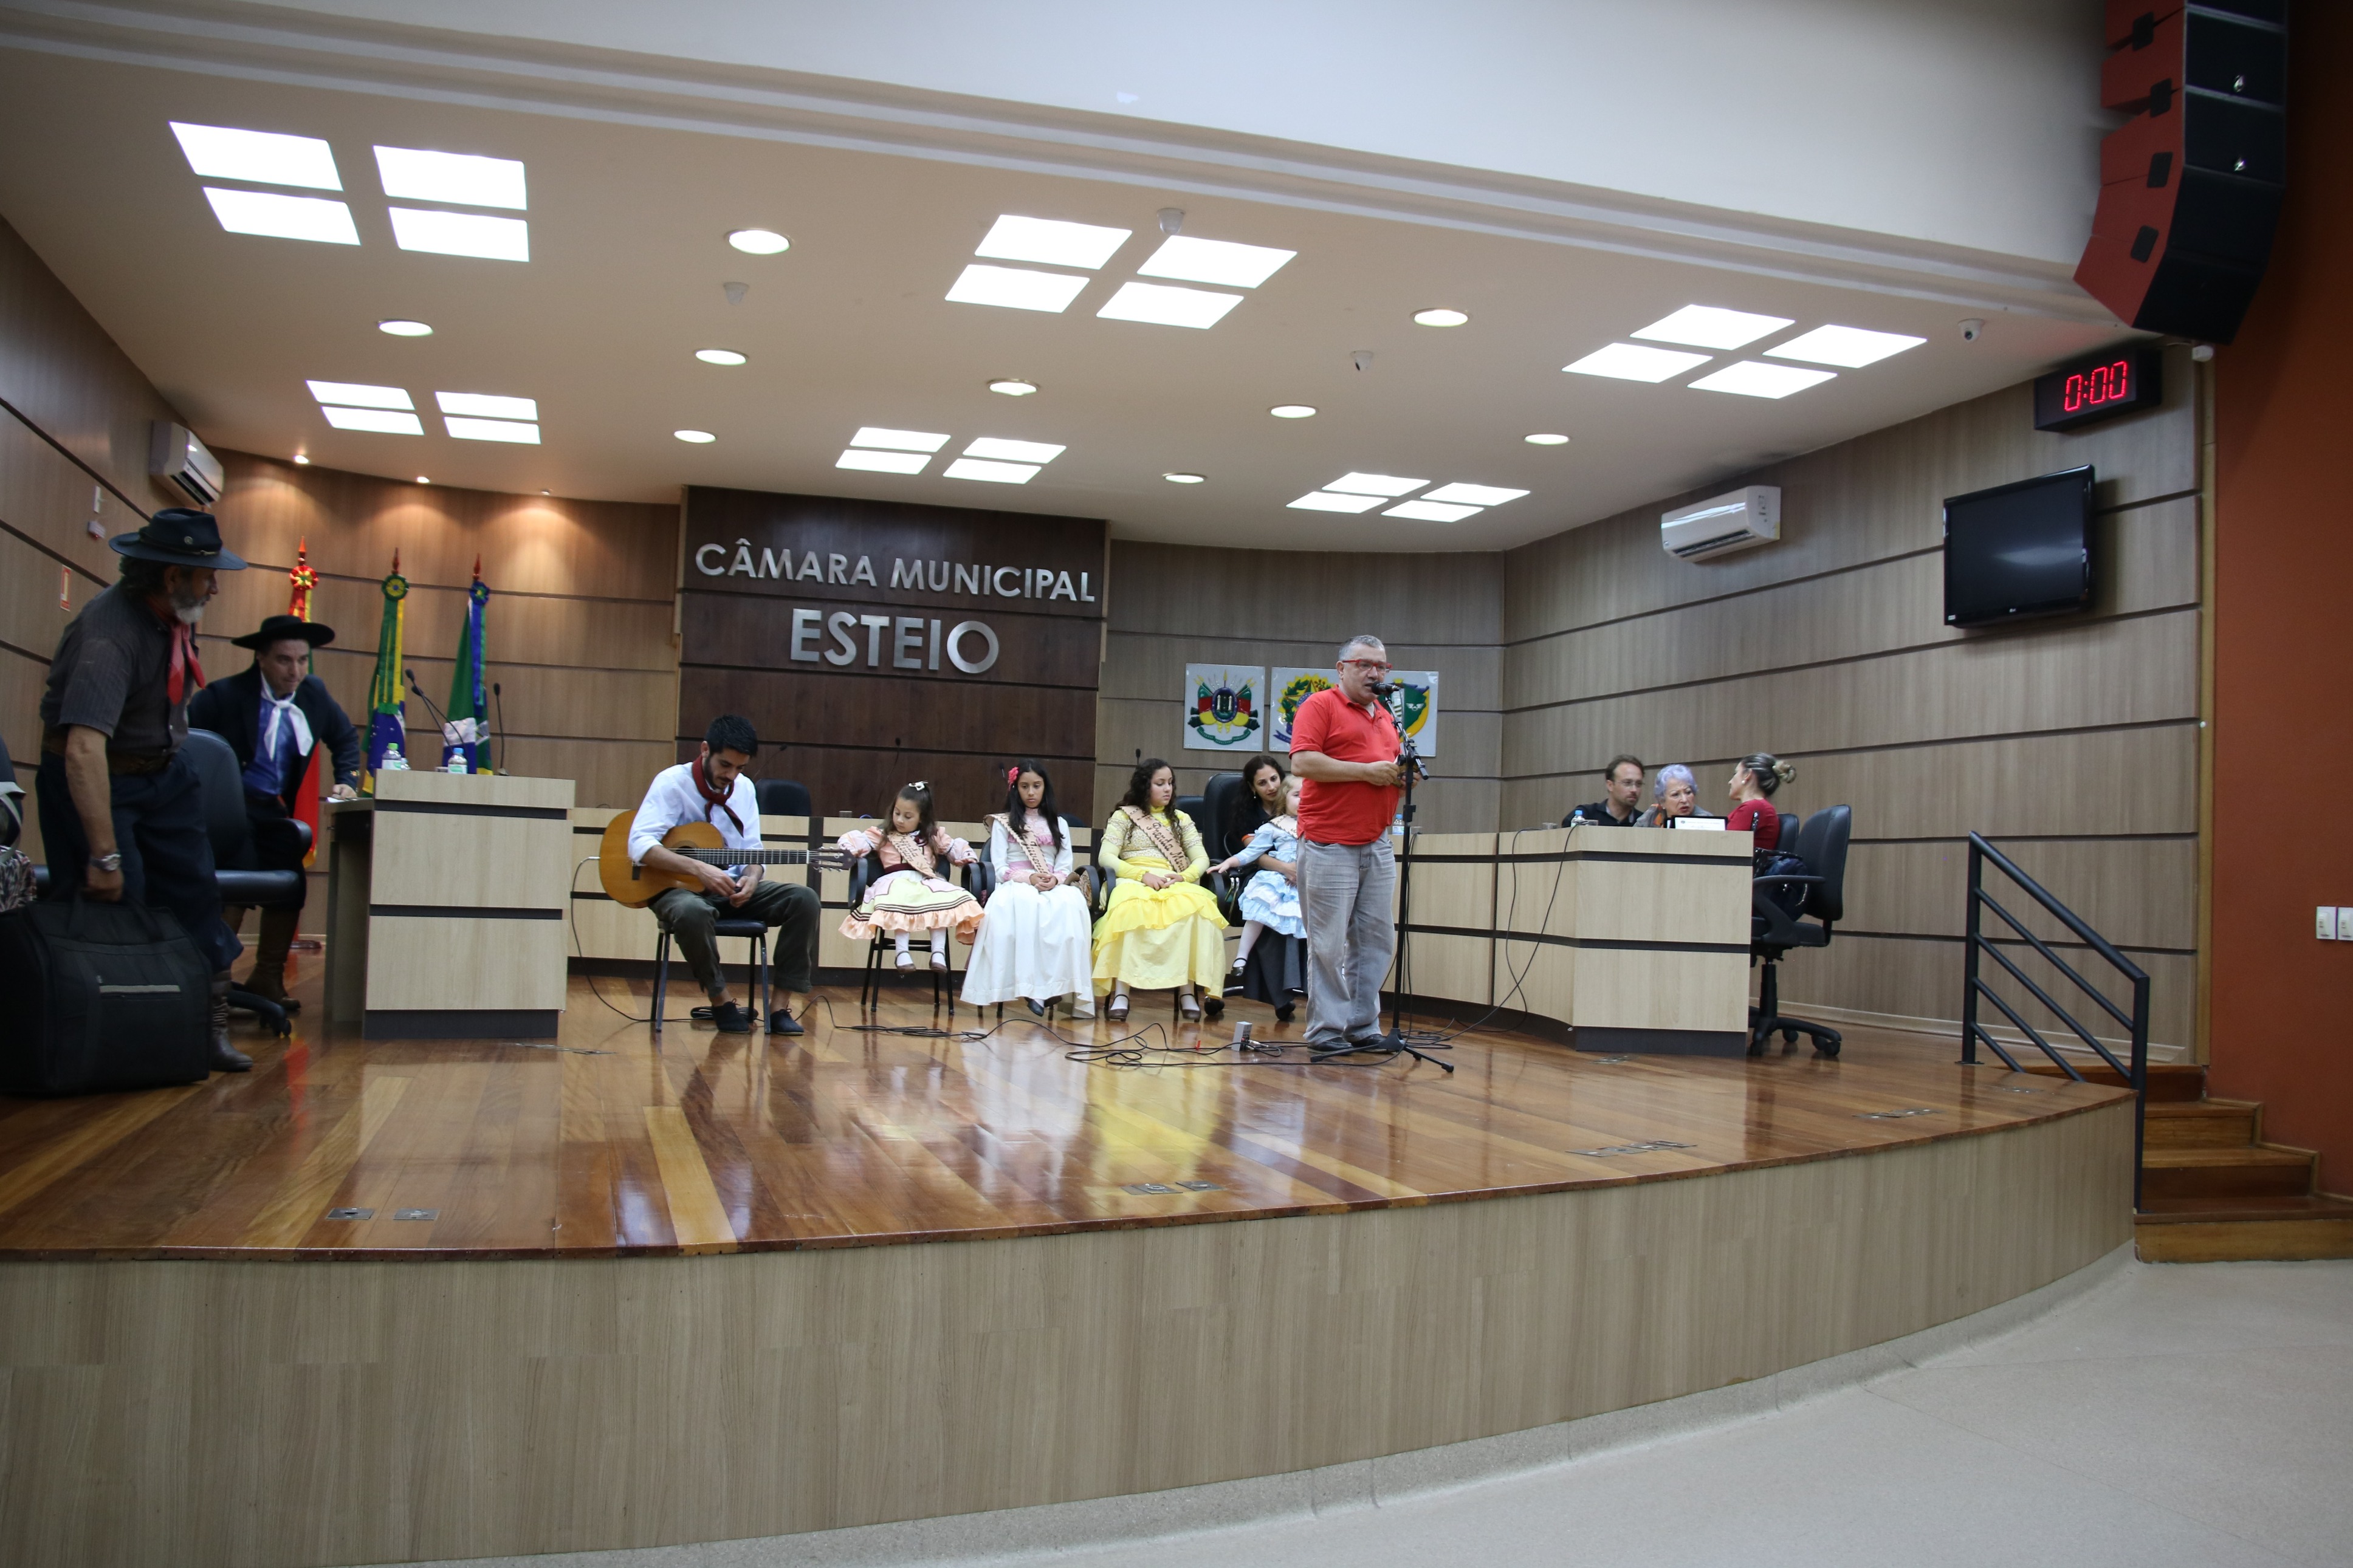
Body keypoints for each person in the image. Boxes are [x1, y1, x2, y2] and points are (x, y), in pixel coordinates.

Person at [36, 508, 252, 1072]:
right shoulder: (109, 634)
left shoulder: (177, 612)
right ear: (171, 575)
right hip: (99, 778)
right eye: (206, 575)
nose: (215, 586)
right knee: (117, 904)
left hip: (165, 774)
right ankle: (117, 1041)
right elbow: (83, 750)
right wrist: (104, 855)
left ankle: (205, 1030)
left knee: (197, 896)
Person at [186, 612, 362, 1010]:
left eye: (302, 660)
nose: (295, 671)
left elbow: (345, 738)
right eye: (284, 660)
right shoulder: (224, 696)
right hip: (228, 811)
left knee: (292, 879)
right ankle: (211, 982)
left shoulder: (314, 694)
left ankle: (267, 976)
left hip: (273, 810)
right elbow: (186, 742)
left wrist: (347, 778)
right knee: (238, 876)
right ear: (261, 658)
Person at [628, 714, 821, 1034]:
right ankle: (721, 1002)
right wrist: (697, 868)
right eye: (725, 765)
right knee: (692, 911)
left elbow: (753, 852)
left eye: (740, 768)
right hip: (677, 889)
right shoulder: (672, 783)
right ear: (705, 750)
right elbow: (639, 844)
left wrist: (752, 877)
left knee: (805, 899)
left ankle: (779, 1008)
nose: (731, 775)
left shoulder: (743, 789)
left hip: (729, 888)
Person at [1288, 634, 1407, 1050]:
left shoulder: (1388, 716)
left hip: (1377, 842)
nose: (1375, 673)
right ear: (1341, 669)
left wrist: (1399, 778)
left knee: (1376, 941)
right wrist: (1367, 772)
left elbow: (1388, 769)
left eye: (1382, 666)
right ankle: (1326, 1030)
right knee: (1328, 944)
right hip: (1329, 842)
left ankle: (1362, 1026)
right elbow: (1303, 762)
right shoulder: (1320, 706)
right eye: (1365, 664)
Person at [1092, 756, 1228, 1023]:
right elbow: (1106, 857)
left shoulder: (1181, 819)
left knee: (1197, 910)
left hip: (1172, 879)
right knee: (1130, 909)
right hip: (1133, 878)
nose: (1168, 789)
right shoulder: (1124, 816)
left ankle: (1188, 992)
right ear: (1145, 786)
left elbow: (1201, 859)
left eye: (1170, 783)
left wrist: (1184, 877)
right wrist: (1142, 875)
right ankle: (1122, 993)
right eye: (1160, 783)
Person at [961, 761, 1094, 1018]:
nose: (1031, 792)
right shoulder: (1003, 823)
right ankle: (1033, 990)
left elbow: (1064, 866)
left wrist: (1054, 880)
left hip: (1052, 884)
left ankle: (1053, 985)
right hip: (1016, 883)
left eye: (1036, 786)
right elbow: (999, 867)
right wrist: (1030, 878)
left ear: (1045, 788)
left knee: (1070, 904)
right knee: (1025, 904)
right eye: (1024, 787)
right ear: (1015, 789)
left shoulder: (1059, 824)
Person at [837, 782, 981, 970]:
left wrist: (967, 857)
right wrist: (850, 850)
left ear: (922, 818)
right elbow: (852, 840)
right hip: (894, 881)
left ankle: (938, 952)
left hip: (926, 881)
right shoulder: (883, 834)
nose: (900, 820)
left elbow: (955, 847)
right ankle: (902, 953)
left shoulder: (933, 836)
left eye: (908, 816)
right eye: (897, 813)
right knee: (900, 897)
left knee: (941, 901)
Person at [1209, 769, 1307, 1022]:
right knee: (1261, 900)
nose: (1303, 800)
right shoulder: (1274, 826)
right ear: (1285, 798)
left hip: (1306, 882)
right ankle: (1242, 956)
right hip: (1278, 879)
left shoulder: (1319, 825)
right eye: (1297, 795)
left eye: (1309, 796)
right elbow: (1251, 853)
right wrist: (1228, 863)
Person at [1726, 752, 1797, 850]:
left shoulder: (1754, 807)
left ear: (1747, 775)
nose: (1730, 782)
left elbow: (1724, 846)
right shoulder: (1757, 807)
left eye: (1736, 773)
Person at [1225, 753, 1288, 857]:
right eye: (1262, 783)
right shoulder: (1245, 814)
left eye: (1274, 779)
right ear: (1252, 787)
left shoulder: (1295, 806)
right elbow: (1255, 854)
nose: (1271, 787)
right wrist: (1287, 866)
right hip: (1260, 866)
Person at [1570, 755, 1644, 827]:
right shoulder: (1585, 815)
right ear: (1610, 785)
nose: (1634, 790)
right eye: (1627, 783)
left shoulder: (1644, 822)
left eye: (1639, 784)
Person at [1634, 763, 1710, 827]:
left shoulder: (1704, 821)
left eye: (1688, 792)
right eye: (1676, 795)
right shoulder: (1653, 816)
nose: (1684, 800)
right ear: (1662, 801)